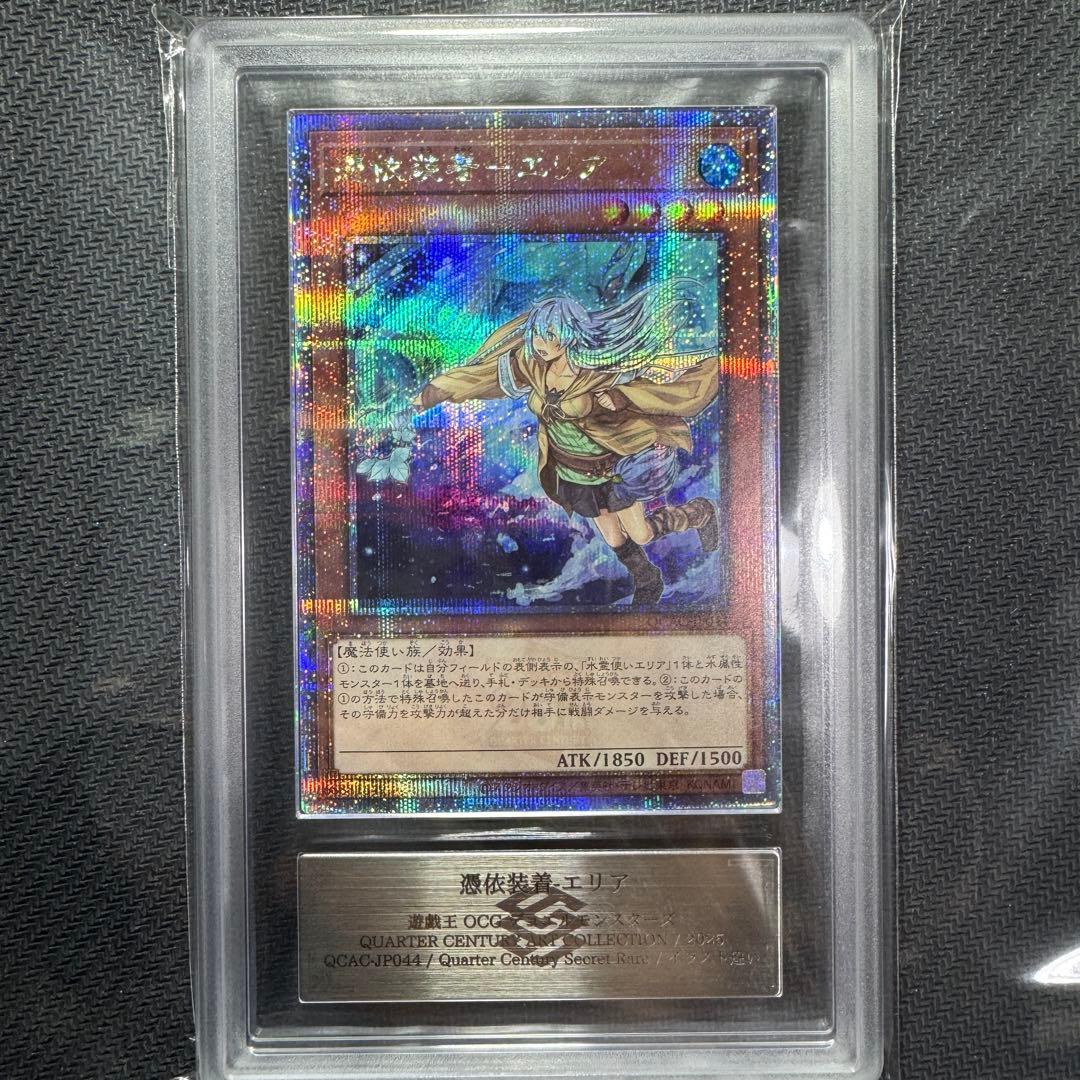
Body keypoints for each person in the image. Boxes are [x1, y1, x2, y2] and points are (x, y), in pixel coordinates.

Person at [412, 285, 720, 604]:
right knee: (614, 538)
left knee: (641, 534)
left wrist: (618, 398)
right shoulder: (533, 365)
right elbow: (485, 378)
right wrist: (433, 393)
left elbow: (650, 393)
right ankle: (647, 580)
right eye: (537, 334)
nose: (540, 343)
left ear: (570, 334)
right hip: (574, 472)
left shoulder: (597, 371)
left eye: (550, 335)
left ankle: (700, 512)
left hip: (610, 470)